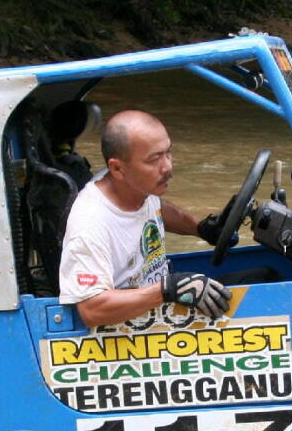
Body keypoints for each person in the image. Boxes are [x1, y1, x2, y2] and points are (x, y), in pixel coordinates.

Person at [58, 109, 234, 327]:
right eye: (154, 159)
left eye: (168, 153)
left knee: (266, 274)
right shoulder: (90, 222)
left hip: (158, 300)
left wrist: (201, 228)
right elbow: (92, 309)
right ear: (117, 168)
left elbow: (159, 208)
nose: (168, 167)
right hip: (130, 327)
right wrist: (169, 289)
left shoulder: (137, 187)